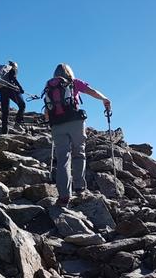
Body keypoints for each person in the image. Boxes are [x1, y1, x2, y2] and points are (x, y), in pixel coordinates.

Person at [43, 63, 111, 206]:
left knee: (63, 159)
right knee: (79, 153)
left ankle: (64, 196)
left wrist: (50, 121)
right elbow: (91, 91)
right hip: (75, 122)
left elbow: (47, 109)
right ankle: (80, 187)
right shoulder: (74, 83)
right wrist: (104, 99)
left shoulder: (49, 86)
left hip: (57, 125)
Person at [0, 61, 26, 134]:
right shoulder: (11, 69)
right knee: (22, 105)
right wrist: (20, 88)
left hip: (2, 90)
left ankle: (4, 131)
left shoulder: (3, 73)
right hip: (11, 89)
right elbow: (13, 78)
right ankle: (17, 123)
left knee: (5, 112)